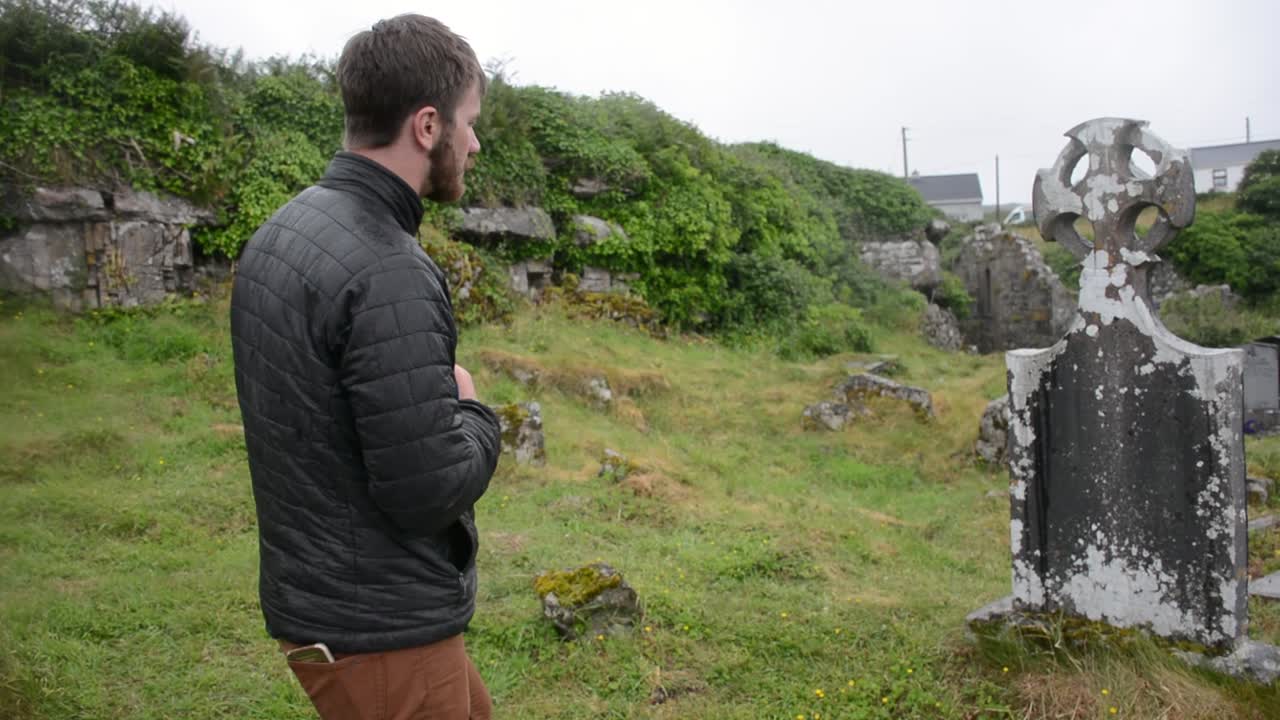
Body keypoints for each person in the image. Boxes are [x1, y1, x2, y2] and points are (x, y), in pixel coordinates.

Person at [229, 14, 501, 720]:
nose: (476, 143)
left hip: (324, 595)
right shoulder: (389, 269)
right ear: (428, 126)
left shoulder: (284, 230)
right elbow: (427, 491)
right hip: (378, 626)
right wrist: (474, 410)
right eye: (470, 123)